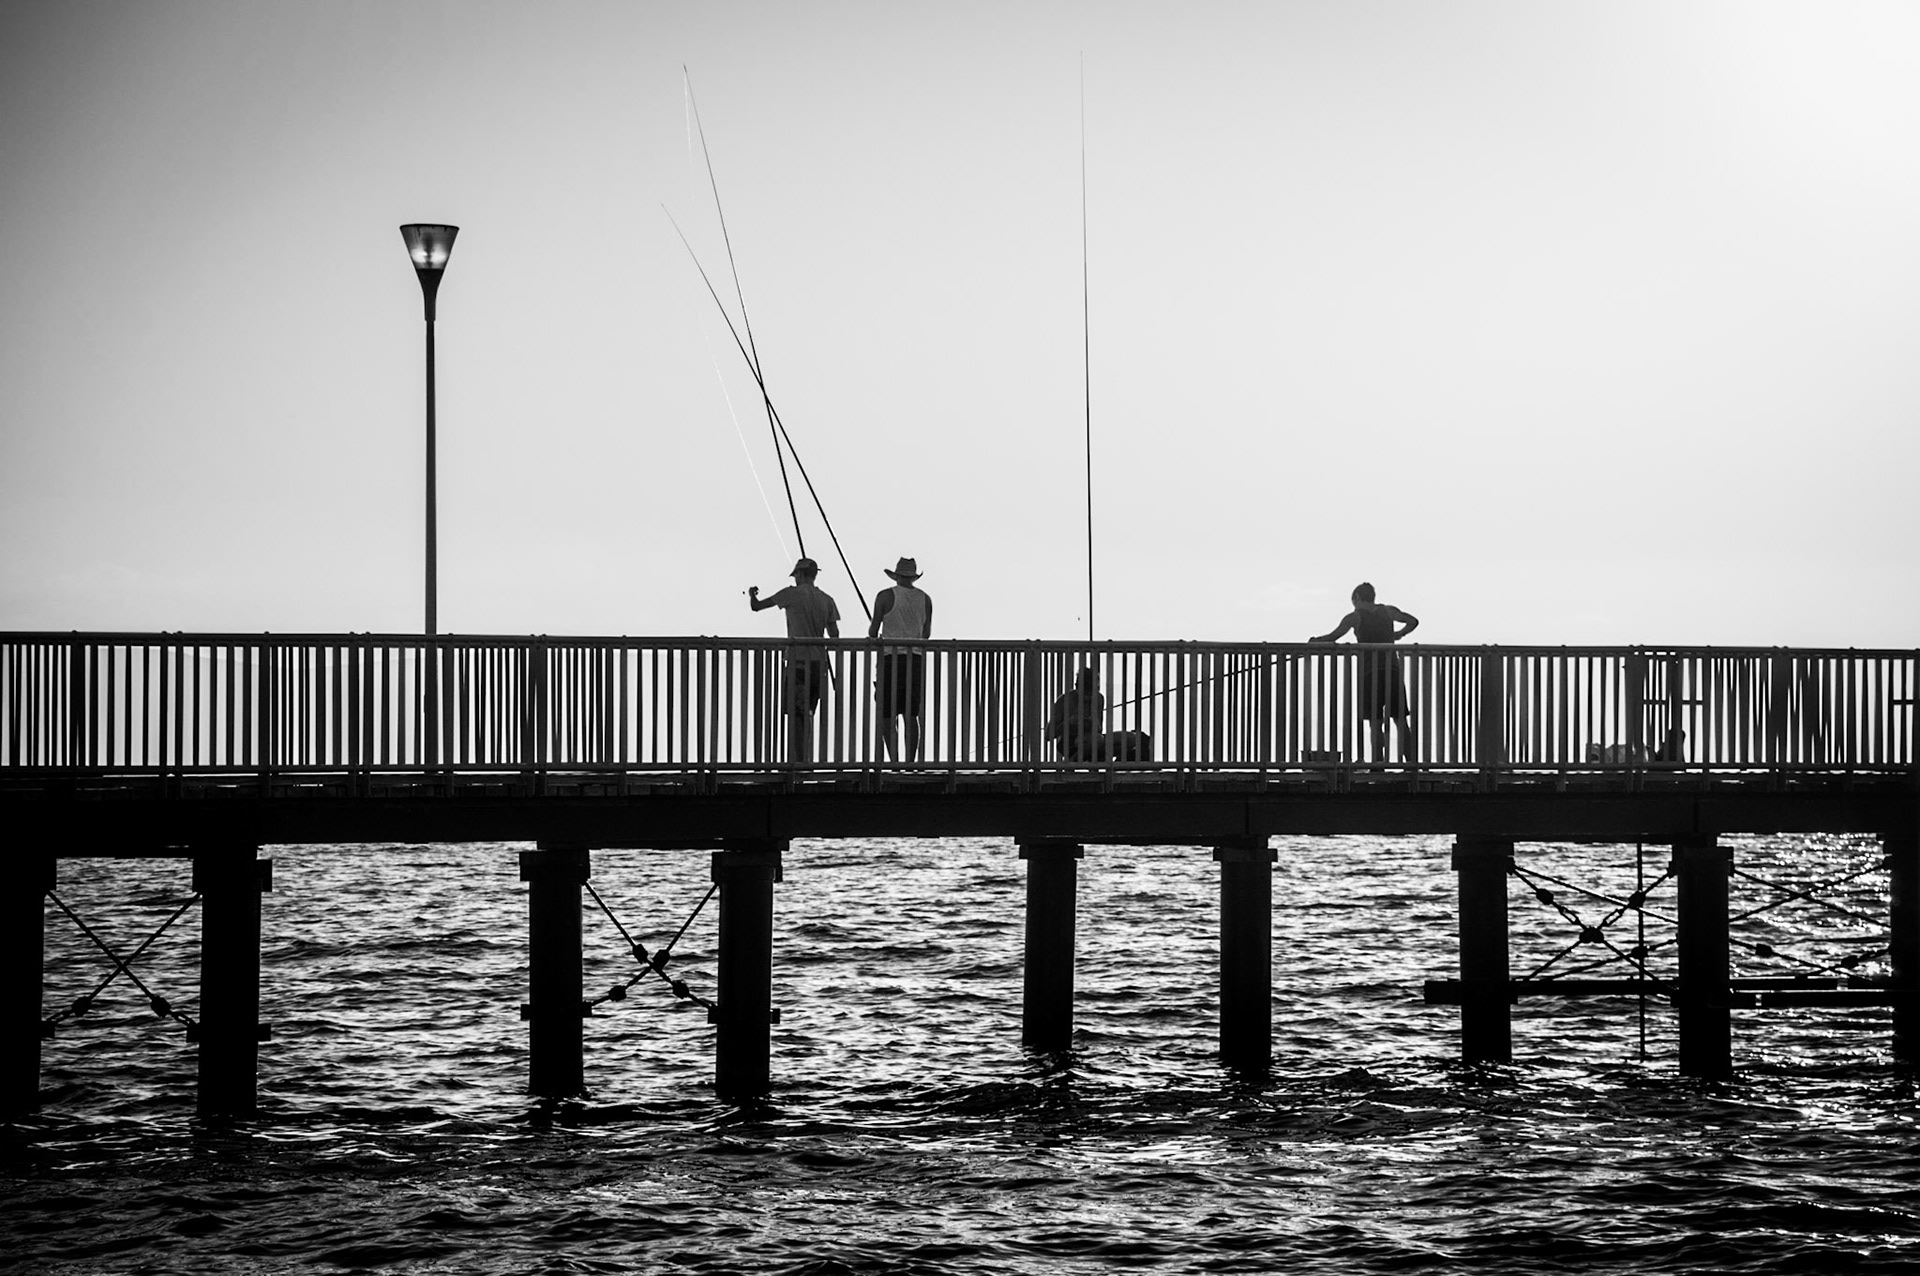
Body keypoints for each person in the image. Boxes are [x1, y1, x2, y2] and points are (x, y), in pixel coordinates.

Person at [1310, 582, 1419, 764]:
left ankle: (1377, 764)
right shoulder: (1389, 611)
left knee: (1375, 723)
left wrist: (1315, 641)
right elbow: (1413, 621)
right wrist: (1399, 634)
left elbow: (1333, 636)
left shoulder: (1354, 617)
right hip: (1392, 671)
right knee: (1400, 721)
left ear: (1357, 598)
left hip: (1370, 674)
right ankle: (1411, 763)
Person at [749, 557, 840, 764]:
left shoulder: (790, 594)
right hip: (819, 665)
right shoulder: (827, 600)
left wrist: (752, 595)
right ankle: (804, 760)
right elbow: (835, 635)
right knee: (808, 714)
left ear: (799, 574)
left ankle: (799, 762)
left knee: (797, 715)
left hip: (798, 662)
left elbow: (757, 607)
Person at [868, 557, 933, 763]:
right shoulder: (926, 599)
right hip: (915, 660)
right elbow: (926, 635)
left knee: (887, 714)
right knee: (911, 714)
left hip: (890, 659)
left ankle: (894, 760)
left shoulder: (885, 596)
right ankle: (910, 761)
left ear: (896, 576)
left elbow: (872, 631)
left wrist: (876, 637)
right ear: (913, 576)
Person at [1045, 666, 1105, 762]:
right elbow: (1048, 734)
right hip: (1068, 742)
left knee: (1130, 738)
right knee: (1097, 740)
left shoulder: (1099, 698)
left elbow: (1099, 729)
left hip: (1092, 738)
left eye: (1091, 694)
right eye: (1085, 694)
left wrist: (1093, 722)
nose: (1087, 698)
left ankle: (1113, 769)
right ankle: (1071, 762)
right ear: (1076, 687)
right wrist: (1068, 723)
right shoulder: (1064, 700)